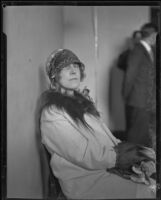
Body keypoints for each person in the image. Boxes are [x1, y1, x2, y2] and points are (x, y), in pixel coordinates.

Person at [38, 48, 156, 199]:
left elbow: (106, 139)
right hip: (85, 181)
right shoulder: (52, 113)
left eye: (76, 66)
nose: (73, 71)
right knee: (150, 192)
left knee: (152, 184)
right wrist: (119, 158)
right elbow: (83, 154)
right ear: (54, 77)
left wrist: (136, 155)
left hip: (105, 168)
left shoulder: (82, 104)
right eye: (66, 68)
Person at [122, 23, 158, 150]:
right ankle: (129, 161)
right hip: (139, 100)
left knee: (146, 134)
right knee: (136, 134)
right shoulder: (137, 51)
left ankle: (143, 160)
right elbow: (130, 76)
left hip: (149, 100)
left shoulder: (151, 50)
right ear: (153, 35)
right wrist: (127, 96)